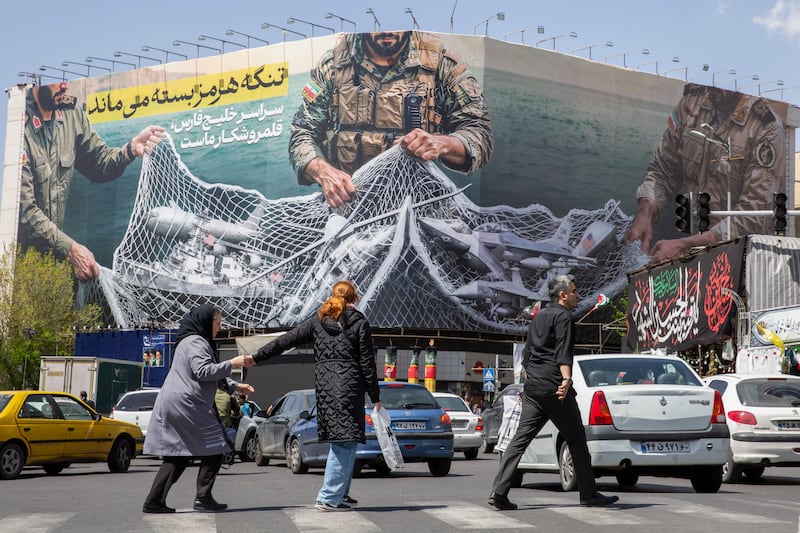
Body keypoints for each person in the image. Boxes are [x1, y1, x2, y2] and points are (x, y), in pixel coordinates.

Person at [289, 30, 493, 208]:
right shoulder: (332, 65)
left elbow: (479, 132)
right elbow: (302, 131)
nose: (387, 31)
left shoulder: (443, 64)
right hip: (347, 205)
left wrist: (443, 143)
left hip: (420, 205)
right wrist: (323, 172)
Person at [248, 280, 381, 511]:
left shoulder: (318, 321)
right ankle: (328, 497)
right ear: (354, 299)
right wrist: (375, 396)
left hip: (326, 391)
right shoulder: (359, 322)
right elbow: (367, 363)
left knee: (344, 442)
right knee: (344, 444)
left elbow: (286, 340)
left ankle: (341, 494)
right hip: (349, 389)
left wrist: (257, 357)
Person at [488, 275, 618, 510]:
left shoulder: (538, 317)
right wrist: (566, 379)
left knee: (519, 440)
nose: (578, 295)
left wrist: (525, 384)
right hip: (555, 387)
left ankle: (499, 492)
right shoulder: (564, 316)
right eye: (574, 291)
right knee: (576, 439)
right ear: (563, 295)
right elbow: (563, 352)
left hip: (533, 387)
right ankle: (588, 494)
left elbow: (527, 355)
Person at [19, 80, 166, 281]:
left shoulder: (71, 114)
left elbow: (99, 163)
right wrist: (71, 249)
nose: (65, 86)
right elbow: (25, 211)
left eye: (66, 79)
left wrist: (130, 150)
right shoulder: (19, 126)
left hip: (54, 261)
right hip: (19, 263)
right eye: (57, 81)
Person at [624, 83, 786, 264]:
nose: (714, 84)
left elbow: (754, 215)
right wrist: (646, 209)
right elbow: (664, 170)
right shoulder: (692, 103)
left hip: (741, 260)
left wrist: (687, 245)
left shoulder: (766, 128)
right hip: (694, 253)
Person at [142, 304, 254, 514]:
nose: (220, 328)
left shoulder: (188, 341)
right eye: (218, 323)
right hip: (188, 403)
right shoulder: (197, 342)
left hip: (176, 401)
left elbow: (203, 375)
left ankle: (154, 500)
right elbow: (203, 372)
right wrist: (233, 363)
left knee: (179, 454)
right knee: (217, 444)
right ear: (206, 322)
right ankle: (203, 497)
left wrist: (234, 386)